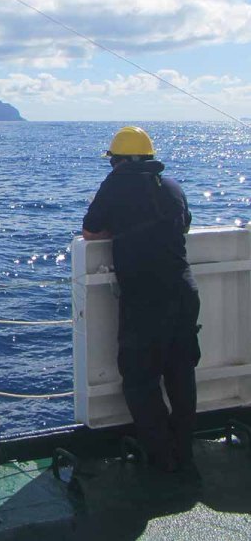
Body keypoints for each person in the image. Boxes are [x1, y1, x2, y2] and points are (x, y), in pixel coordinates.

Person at [82, 125, 201, 471]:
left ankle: (161, 457)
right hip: (184, 291)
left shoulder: (116, 184)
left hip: (146, 298)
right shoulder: (172, 185)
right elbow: (183, 225)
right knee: (181, 373)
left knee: (140, 379)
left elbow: (90, 231)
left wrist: (118, 227)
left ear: (119, 161)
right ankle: (184, 451)